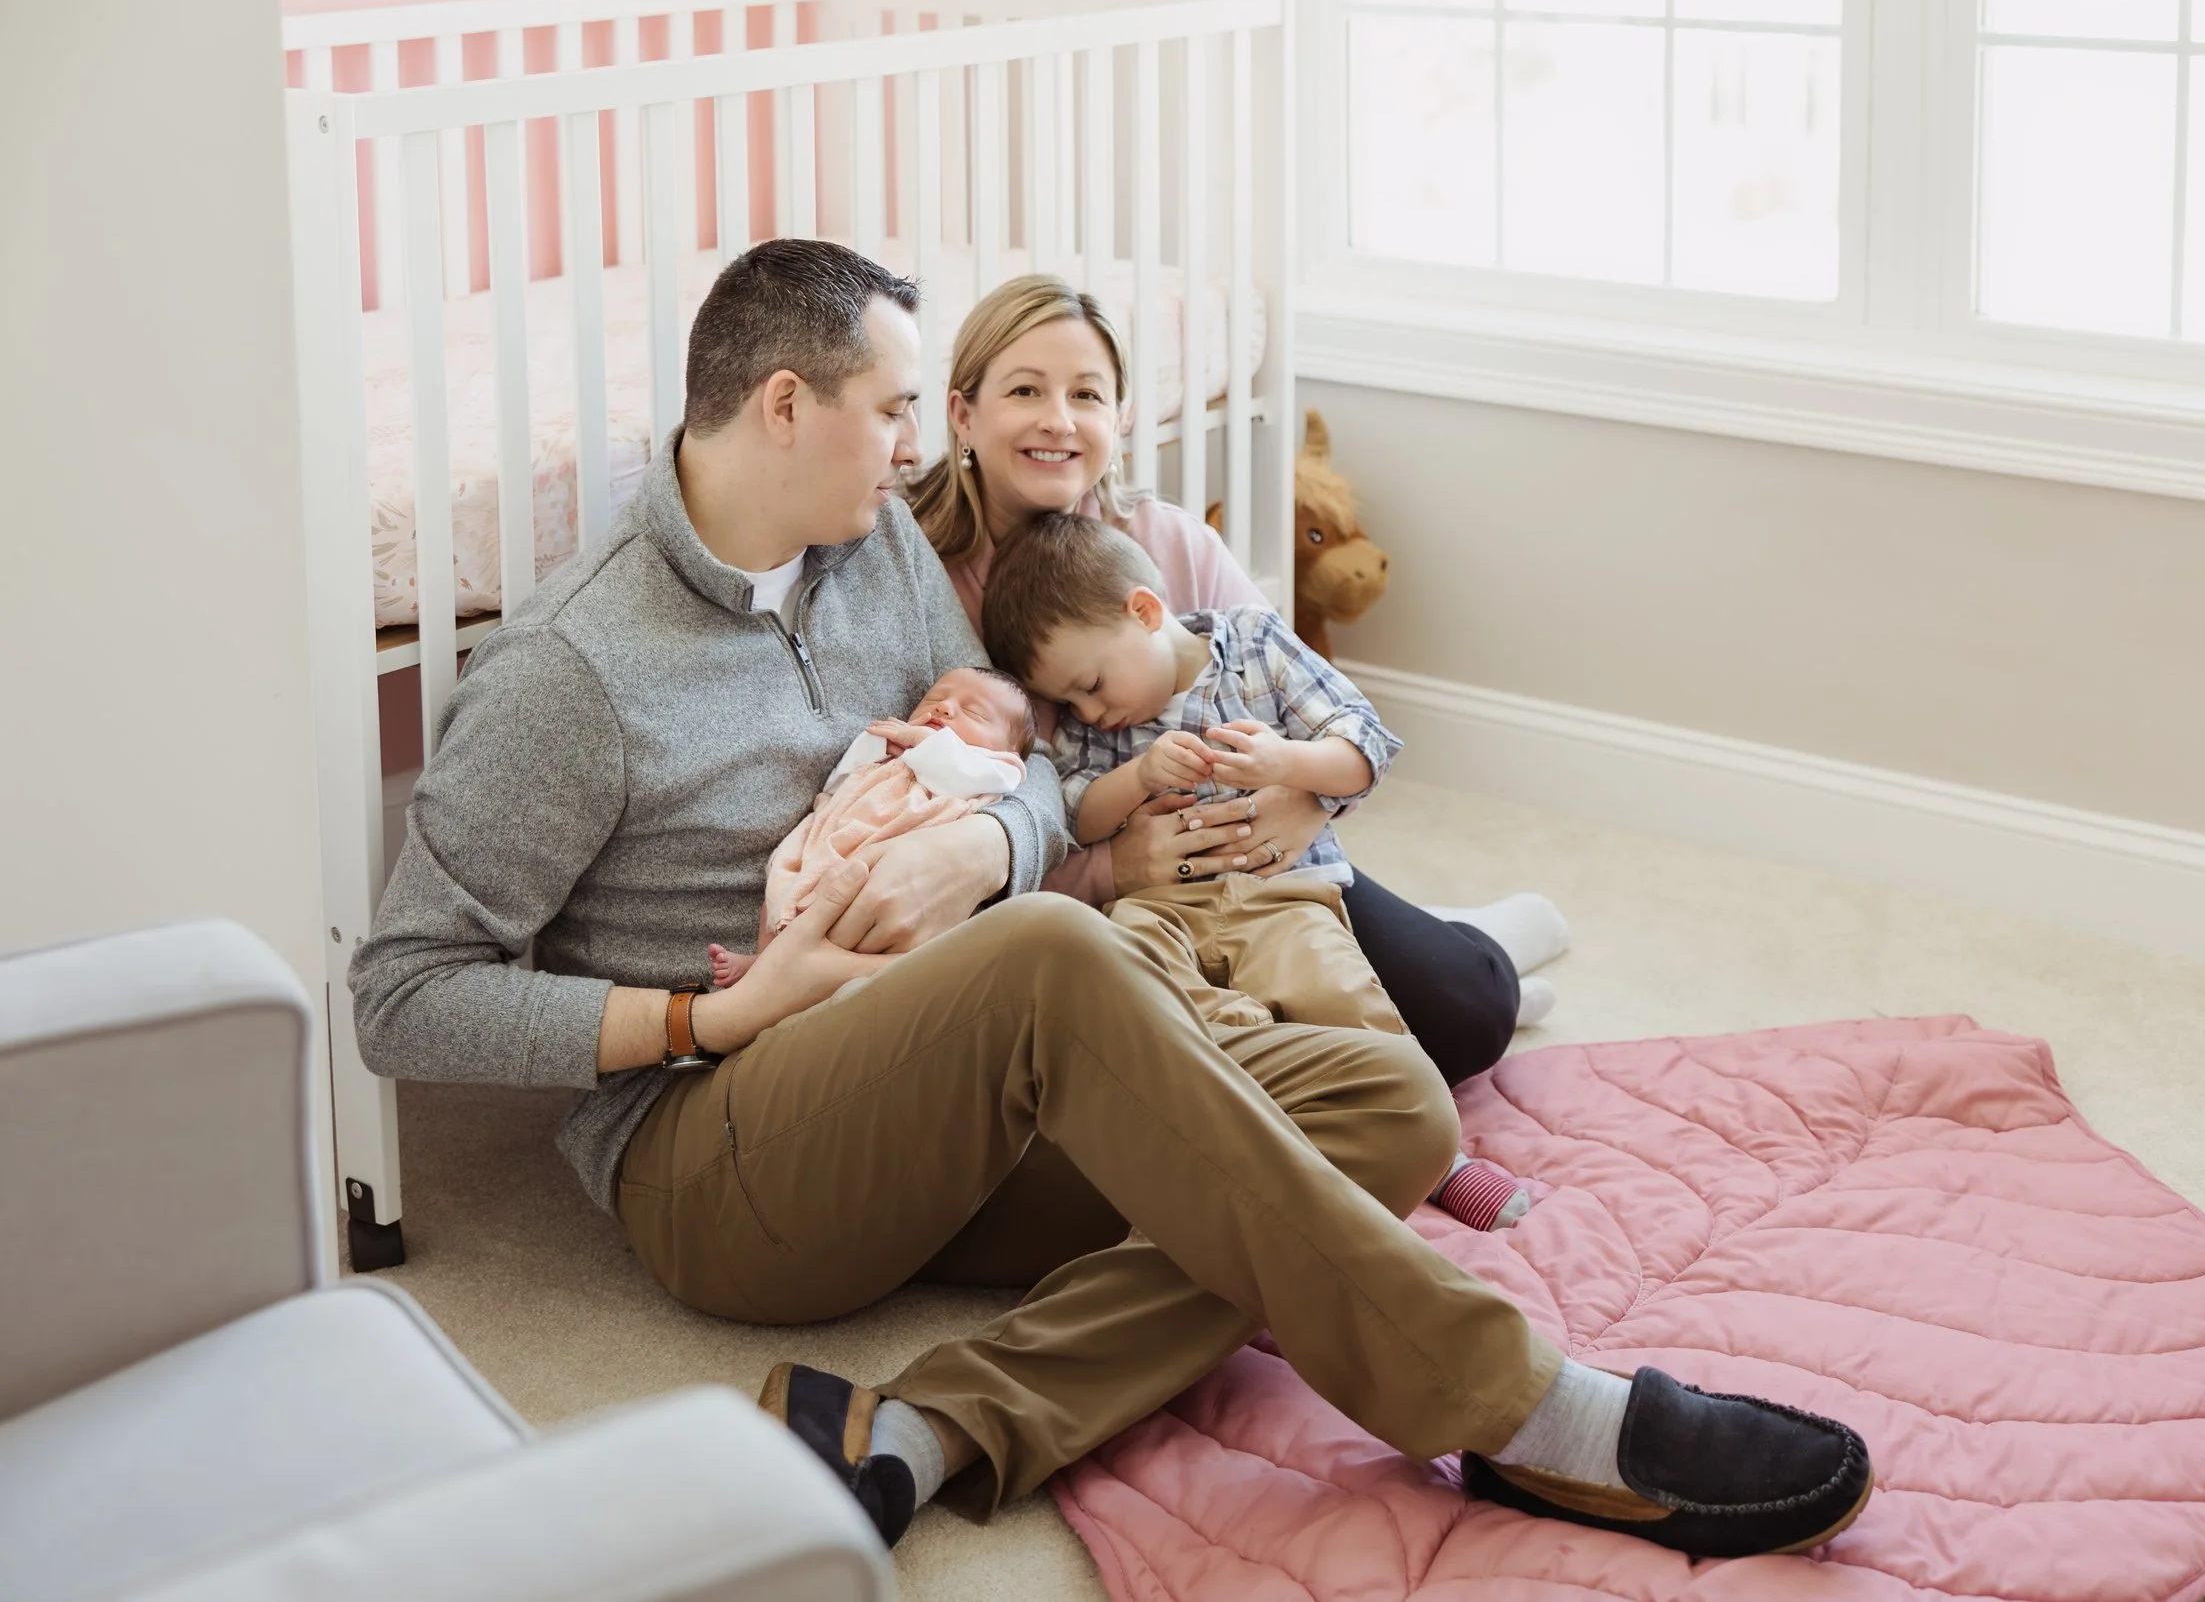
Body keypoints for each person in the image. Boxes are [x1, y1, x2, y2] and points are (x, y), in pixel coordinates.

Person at [348, 239, 1872, 1559]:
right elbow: (404, 996)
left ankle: (924, 1429)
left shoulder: (871, 551)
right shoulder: (570, 671)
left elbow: (1023, 764)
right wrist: (714, 1008)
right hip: (726, 1156)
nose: (908, 456)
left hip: (941, 1084)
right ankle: (1528, 1410)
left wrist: (991, 844)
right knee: (1059, 957)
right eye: (892, 413)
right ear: (786, 406)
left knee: (1386, 1106)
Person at [907, 275, 1570, 1087]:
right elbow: (943, 821)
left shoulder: (1164, 541)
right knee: (1184, 1071)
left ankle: (1458, 930)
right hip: (1095, 909)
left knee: (1466, 1009)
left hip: (1258, 871)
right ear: (963, 413)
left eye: (1086, 393)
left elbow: (1309, 701)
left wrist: (1303, 798)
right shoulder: (916, 579)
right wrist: (1114, 870)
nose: (1058, 418)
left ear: (1120, 417)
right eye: (1024, 390)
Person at [986, 512, 1531, 1232]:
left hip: (1280, 894)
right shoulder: (1095, 726)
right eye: (1072, 701)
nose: (1090, 711)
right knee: (1160, 1007)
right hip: (1159, 909)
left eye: (1092, 685)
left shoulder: (1251, 645)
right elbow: (1076, 816)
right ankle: (1270, 1119)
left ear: (1145, 612)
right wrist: (1140, 774)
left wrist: (1288, 765)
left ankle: (1439, 1158)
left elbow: (1365, 741)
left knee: (1335, 992)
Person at [706, 665, 1033, 992]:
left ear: (1010, 750)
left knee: (854, 917)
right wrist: (876, 747)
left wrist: (922, 742)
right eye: (934, 699)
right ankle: (764, 966)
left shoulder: (997, 769)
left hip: (888, 866)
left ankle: (789, 982)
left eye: (974, 713)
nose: (944, 708)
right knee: (781, 892)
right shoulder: (899, 749)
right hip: (835, 838)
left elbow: (958, 775)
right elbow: (839, 779)